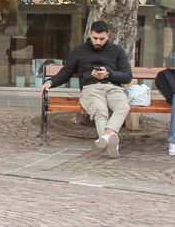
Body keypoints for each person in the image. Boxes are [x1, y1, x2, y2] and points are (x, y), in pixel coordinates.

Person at [40, 20, 133, 158]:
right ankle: (111, 144)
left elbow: (127, 76)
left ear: (108, 35)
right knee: (100, 112)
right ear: (90, 34)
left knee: (123, 106)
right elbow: (66, 72)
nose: (98, 42)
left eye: (102, 39)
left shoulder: (117, 50)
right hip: (91, 88)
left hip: (113, 86)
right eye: (95, 38)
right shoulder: (79, 51)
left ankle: (107, 138)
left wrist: (108, 74)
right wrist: (51, 82)